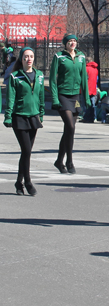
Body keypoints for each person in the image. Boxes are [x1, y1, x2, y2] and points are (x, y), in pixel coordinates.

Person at [3, 47, 44, 196]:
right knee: (26, 150)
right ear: (21, 59)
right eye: (26, 56)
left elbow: (40, 96)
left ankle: (18, 182)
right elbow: (10, 98)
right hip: (19, 116)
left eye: (31, 56)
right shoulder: (15, 76)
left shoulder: (39, 75)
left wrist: (42, 114)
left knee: (26, 153)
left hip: (33, 117)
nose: (29, 59)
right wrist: (8, 117)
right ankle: (27, 182)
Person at [50, 34, 91, 174]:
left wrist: (86, 98)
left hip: (76, 97)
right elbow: (52, 80)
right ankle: (69, 161)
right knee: (70, 126)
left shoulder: (81, 57)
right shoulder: (59, 57)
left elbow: (84, 78)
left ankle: (59, 160)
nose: (72, 43)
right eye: (70, 41)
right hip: (63, 95)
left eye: (74, 41)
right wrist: (55, 98)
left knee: (69, 130)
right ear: (65, 43)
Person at [82, 56, 99, 123]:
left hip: (86, 89)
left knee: (86, 104)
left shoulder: (85, 69)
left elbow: (84, 79)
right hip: (93, 88)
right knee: (93, 104)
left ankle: (86, 117)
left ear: (86, 62)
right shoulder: (95, 69)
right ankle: (93, 117)